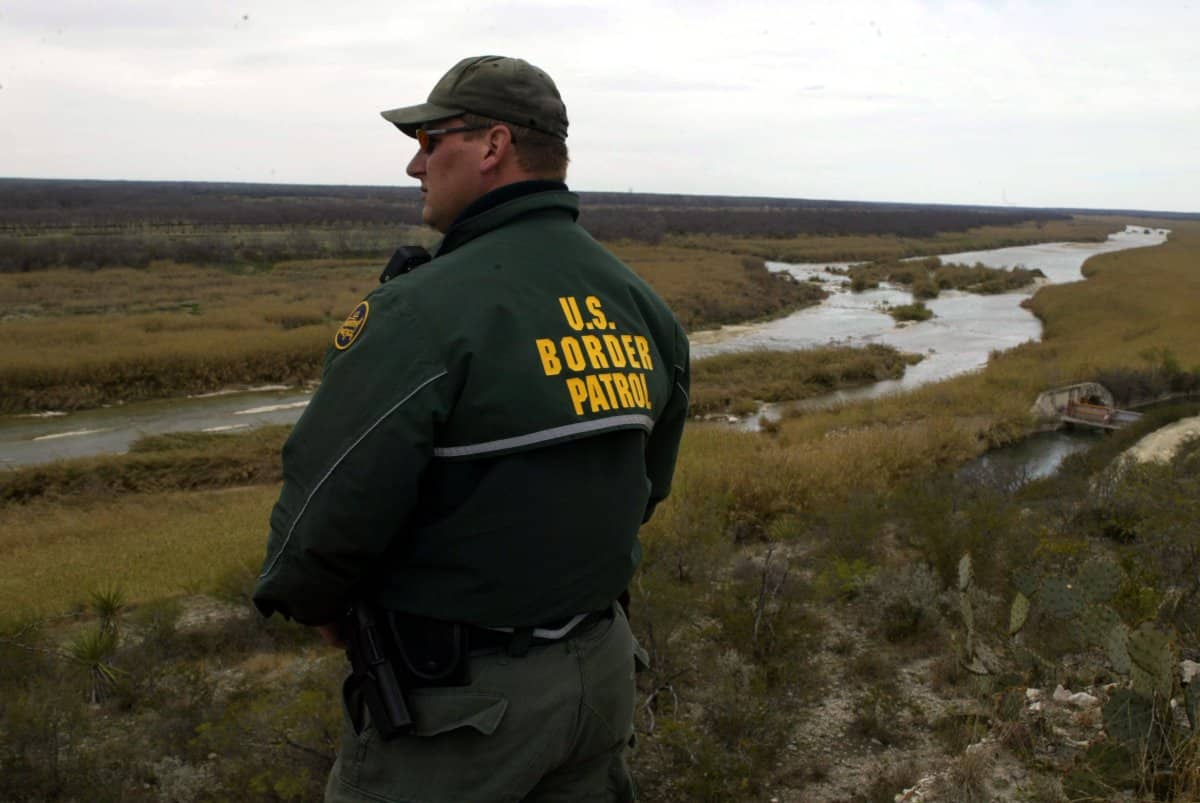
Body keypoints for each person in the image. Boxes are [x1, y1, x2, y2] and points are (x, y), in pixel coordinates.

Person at [252, 55, 690, 802]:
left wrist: (313, 601)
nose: (415, 162)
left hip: (461, 709)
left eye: (432, 139)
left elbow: (324, 511)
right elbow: (646, 484)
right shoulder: (638, 304)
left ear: (491, 146)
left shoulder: (422, 313)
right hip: (602, 675)